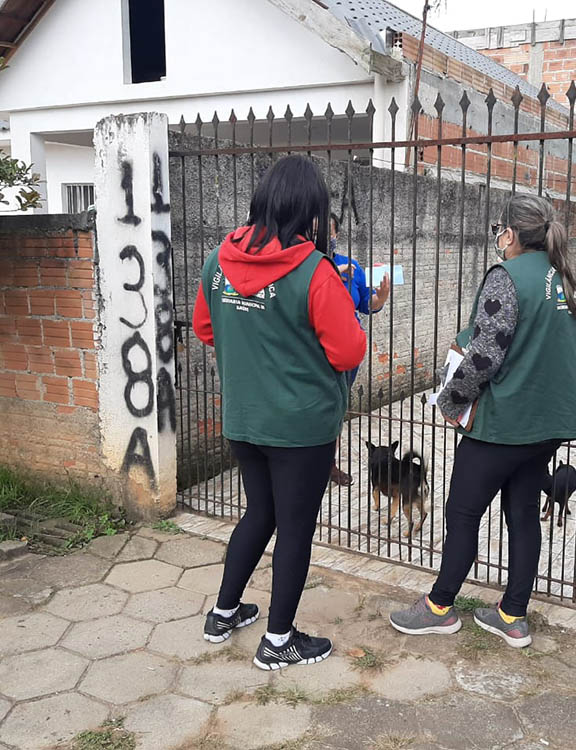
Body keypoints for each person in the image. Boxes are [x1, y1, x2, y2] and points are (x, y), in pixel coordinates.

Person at [389, 193, 576, 648]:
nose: (497, 238)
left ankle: (439, 607)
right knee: (522, 513)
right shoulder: (562, 278)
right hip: (545, 425)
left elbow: (485, 355)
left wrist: (450, 401)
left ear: (511, 233)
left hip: (505, 424)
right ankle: (512, 615)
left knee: (462, 512)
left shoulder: (507, 277)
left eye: (498, 230)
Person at [192, 155, 366, 670]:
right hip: (301, 427)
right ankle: (279, 640)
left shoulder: (218, 260)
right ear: (312, 211)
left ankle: (223, 613)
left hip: (245, 419)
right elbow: (348, 352)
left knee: (260, 513)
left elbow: (205, 329)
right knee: (294, 529)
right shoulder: (314, 271)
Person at [328, 211, 391, 486]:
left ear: (337, 234)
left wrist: (382, 297)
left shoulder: (351, 266)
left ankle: (328, 463)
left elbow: (367, 304)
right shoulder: (304, 266)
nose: (324, 236)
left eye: (329, 230)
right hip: (315, 352)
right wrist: (332, 275)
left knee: (336, 408)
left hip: (347, 353)